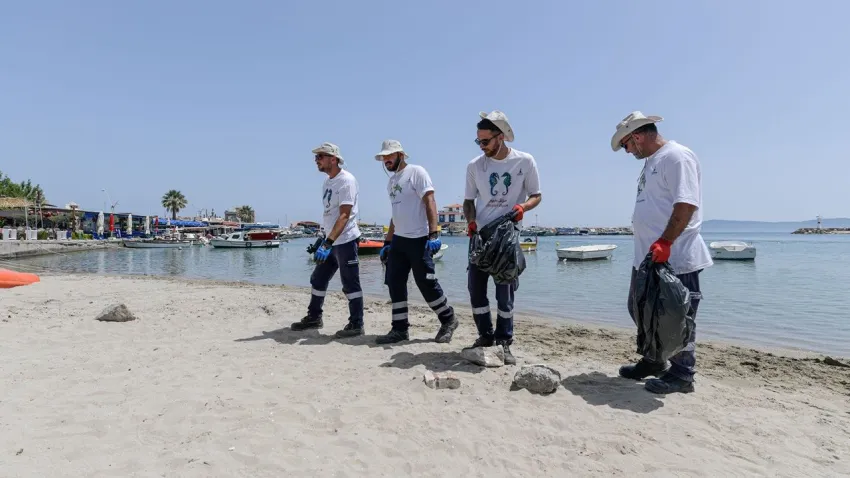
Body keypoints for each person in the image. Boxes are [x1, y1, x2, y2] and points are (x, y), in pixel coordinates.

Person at [611, 111, 713, 394]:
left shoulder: (677, 156)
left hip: (676, 257)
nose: (626, 151)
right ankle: (655, 361)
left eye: (627, 145)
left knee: (677, 317)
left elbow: (686, 203)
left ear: (638, 136)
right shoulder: (652, 162)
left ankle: (682, 374)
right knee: (640, 310)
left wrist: (666, 242)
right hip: (647, 258)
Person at [463, 111, 542, 365]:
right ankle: (485, 336)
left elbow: (536, 195)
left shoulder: (525, 161)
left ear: (501, 137)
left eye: (485, 141)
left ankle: (504, 341)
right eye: (478, 142)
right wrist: (471, 221)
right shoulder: (475, 166)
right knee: (475, 289)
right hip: (480, 235)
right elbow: (468, 201)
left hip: (507, 235)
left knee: (505, 292)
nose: (481, 146)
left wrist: (523, 208)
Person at [373, 140, 459, 345]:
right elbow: (396, 214)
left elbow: (430, 201)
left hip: (419, 239)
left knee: (426, 283)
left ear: (401, 155)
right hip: (399, 241)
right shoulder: (391, 181)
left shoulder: (416, 172)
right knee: (395, 283)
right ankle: (400, 329)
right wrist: (387, 241)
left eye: (390, 156)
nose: (386, 160)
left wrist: (433, 234)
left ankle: (449, 320)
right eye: (384, 157)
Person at [291, 142, 365, 338]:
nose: (317, 160)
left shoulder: (346, 180)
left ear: (334, 159)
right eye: (316, 157)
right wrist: (323, 239)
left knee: (350, 283)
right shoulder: (327, 182)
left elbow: (344, 215)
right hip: (330, 240)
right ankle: (314, 317)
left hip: (346, 240)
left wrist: (328, 243)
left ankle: (356, 324)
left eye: (320, 156)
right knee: (318, 278)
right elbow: (329, 214)